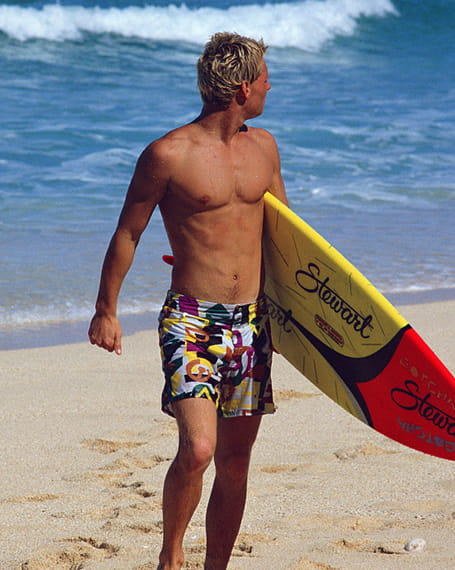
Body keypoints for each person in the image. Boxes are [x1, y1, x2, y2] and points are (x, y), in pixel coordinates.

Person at [88, 31, 288, 570]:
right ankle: (171, 556)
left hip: (251, 322)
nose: (270, 88)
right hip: (191, 320)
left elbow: (284, 237)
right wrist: (106, 309)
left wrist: (299, 321)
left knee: (236, 462)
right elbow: (128, 232)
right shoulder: (167, 154)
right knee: (199, 449)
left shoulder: (265, 148)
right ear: (243, 88)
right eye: (265, 79)